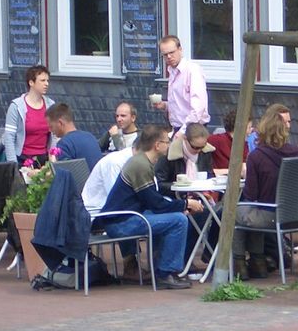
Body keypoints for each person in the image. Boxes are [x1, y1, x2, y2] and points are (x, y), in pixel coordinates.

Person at [99, 125, 203, 289]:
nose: (169, 145)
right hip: (122, 223)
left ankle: (161, 269)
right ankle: (166, 273)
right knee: (179, 221)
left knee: (173, 218)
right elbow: (154, 203)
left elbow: (153, 202)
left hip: (127, 217)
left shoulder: (142, 161)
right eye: (166, 141)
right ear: (157, 145)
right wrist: (185, 204)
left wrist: (176, 206)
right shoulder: (141, 165)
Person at [233, 109, 298, 279]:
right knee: (253, 211)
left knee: (234, 212)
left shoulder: (256, 156)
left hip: (271, 216)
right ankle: (258, 262)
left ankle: (239, 263)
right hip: (297, 217)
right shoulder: (296, 153)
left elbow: (251, 194)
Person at [151, 35, 209, 135]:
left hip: (194, 130)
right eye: (165, 54)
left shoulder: (192, 70)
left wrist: (182, 131)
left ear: (180, 49)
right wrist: (164, 105)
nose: (169, 57)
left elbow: (198, 108)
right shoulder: (172, 71)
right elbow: (181, 104)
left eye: (171, 52)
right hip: (178, 128)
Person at [2, 64, 55, 166]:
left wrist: (52, 159)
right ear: (31, 82)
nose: (46, 84)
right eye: (42, 81)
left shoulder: (50, 105)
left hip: (44, 159)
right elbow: (9, 138)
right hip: (22, 158)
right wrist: (13, 166)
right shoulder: (16, 107)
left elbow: (55, 136)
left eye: (47, 80)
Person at [154, 122, 216, 196]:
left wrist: (206, 192)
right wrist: (183, 191)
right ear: (185, 139)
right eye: (195, 147)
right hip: (175, 199)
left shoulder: (206, 152)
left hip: (201, 197)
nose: (199, 150)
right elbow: (160, 184)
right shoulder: (168, 155)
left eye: (202, 147)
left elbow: (210, 175)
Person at [46, 103, 103, 173]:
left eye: (51, 126)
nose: (50, 130)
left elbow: (65, 177)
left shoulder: (64, 144)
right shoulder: (90, 136)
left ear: (60, 123)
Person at [81, 144, 134, 213]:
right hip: (100, 212)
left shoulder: (134, 159)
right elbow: (116, 199)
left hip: (122, 210)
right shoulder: (116, 162)